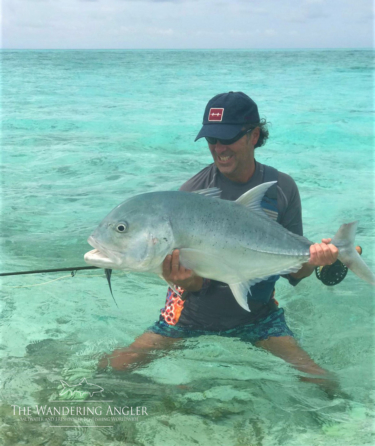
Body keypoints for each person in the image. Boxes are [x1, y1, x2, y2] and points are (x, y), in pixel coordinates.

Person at [99, 91, 340, 391]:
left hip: (259, 317)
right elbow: (193, 285)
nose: (219, 149)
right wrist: (186, 282)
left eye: (227, 139)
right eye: (212, 140)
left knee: (323, 382)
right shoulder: (191, 196)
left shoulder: (282, 190)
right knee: (111, 370)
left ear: (254, 135)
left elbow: (294, 271)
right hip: (189, 317)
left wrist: (315, 260)